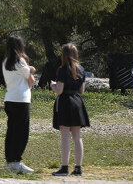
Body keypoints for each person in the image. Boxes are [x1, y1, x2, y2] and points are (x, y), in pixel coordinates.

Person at [50, 43, 90, 176]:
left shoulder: (62, 69)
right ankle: (78, 168)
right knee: (77, 137)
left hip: (65, 103)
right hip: (77, 102)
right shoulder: (81, 69)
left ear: (64, 55)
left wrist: (53, 85)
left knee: (65, 137)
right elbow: (81, 90)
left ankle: (64, 167)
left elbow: (60, 91)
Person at [2, 35, 36, 174]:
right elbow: (31, 80)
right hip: (21, 100)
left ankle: (10, 160)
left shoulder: (5, 62)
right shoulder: (20, 61)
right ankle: (17, 161)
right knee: (22, 132)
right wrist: (31, 70)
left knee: (11, 131)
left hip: (9, 98)